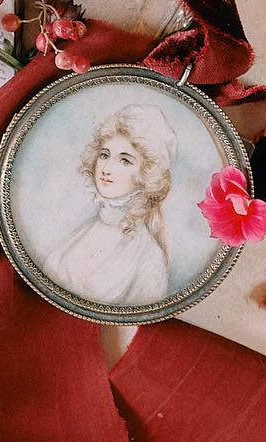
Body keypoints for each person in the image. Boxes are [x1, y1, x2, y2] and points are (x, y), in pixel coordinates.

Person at [42, 103, 175, 308]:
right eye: (104, 155)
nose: (106, 168)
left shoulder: (148, 257)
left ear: (146, 175)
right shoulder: (85, 231)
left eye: (125, 161)